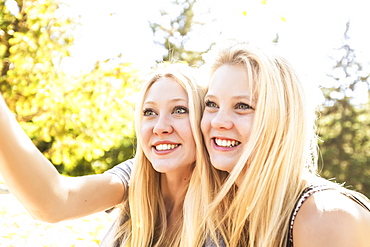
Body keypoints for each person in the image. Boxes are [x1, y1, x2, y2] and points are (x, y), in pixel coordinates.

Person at [185, 41, 370, 247]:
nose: (218, 121)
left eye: (243, 106)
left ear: (282, 120)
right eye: (212, 104)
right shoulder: (219, 219)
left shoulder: (327, 217)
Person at [0, 63, 206, 246]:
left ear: (204, 119)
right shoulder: (136, 174)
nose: (160, 127)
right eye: (149, 112)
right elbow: (55, 202)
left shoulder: (226, 212)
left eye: (179, 110)